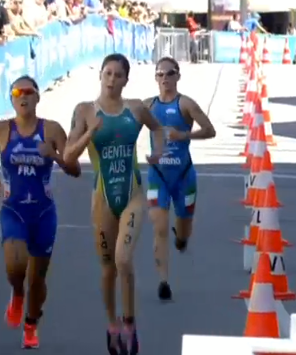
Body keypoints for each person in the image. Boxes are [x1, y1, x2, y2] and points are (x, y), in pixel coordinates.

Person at [63, 53, 165, 354]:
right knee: (108, 268)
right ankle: (112, 324)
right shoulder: (84, 111)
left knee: (123, 259)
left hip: (132, 194)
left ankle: (130, 323)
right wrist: (90, 134)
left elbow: (158, 129)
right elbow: (68, 156)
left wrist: (157, 153)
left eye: (117, 75)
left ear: (125, 80)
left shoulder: (135, 108)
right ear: (101, 76)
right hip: (103, 198)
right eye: (107, 73)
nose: (111, 80)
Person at [0, 75, 81, 349]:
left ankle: (31, 324)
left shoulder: (52, 130)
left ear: (37, 97)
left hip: (44, 214)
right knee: (15, 266)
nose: (23, 96)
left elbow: (75, 169)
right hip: (13, 211)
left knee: (38, 278)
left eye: (29, 92)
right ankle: (17, 294)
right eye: (17, 92)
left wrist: (54, 155)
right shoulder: (1, 129)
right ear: (11, 98)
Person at [144, 57, 216, 301]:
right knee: (159, 227)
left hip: (184, 176)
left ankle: (182, 237)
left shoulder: (185, 104)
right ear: (155, 78)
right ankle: (163, 281)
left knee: (182, 231)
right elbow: (123, 123)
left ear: (178, 76)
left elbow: (210, 130)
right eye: (160, 74)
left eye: (170, 73)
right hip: (158, 176)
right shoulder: (148, 106)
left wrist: (183, 134)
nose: (165, 78)